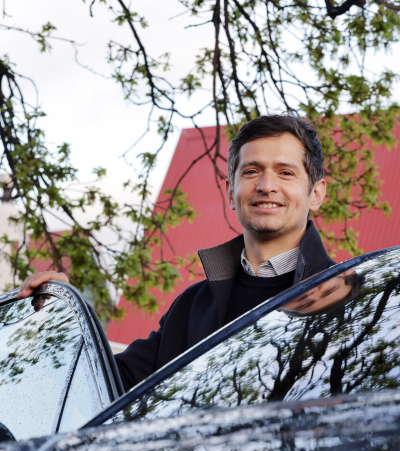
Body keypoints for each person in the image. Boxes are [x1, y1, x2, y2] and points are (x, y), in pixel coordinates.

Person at [16, 114, 336, 392]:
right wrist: (62, 317)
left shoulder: (345, 297)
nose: (266, 185)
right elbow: (109, 385)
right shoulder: (192, 305)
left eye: (285, 172)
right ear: (230, 192)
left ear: (316, 193)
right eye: (251, 171)